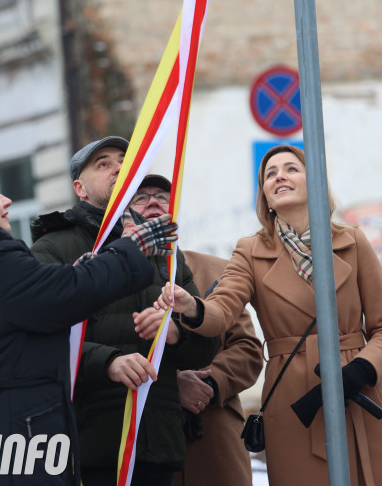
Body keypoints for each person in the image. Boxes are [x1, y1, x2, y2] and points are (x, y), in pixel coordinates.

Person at [0, 158, 178, 486]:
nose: (7, 201)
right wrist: (131, 248)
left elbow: (46, 298)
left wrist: (85, 269)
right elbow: (69, 293)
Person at [150, 144, 382, 486]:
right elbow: (223, 309)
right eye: (270, 174)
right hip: (292, 400)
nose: (280, 177)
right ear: (266, 198)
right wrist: (193, 307)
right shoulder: (250, 250)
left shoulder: (353, 241)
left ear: (313, 183)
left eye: (291, 169)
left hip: (360, 390)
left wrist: (362, 368)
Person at [31, 137, 220, 486]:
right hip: (90, 445)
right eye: (103, 164)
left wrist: (175, 332)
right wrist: (109, 361)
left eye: (124, 161)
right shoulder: (52, 247)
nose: (118, 168)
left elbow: (208, 346)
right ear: (80, 189)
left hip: (157, 442)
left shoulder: (161, 247)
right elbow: (39, 340)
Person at [129, 175, 263, 486]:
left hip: (215, 437)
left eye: (162, 196)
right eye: (141, 198)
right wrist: (172, 386)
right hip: (146, 444)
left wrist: (210, 383)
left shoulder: (218, 270)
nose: (152, 202)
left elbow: (248, 349)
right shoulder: (110, 278)